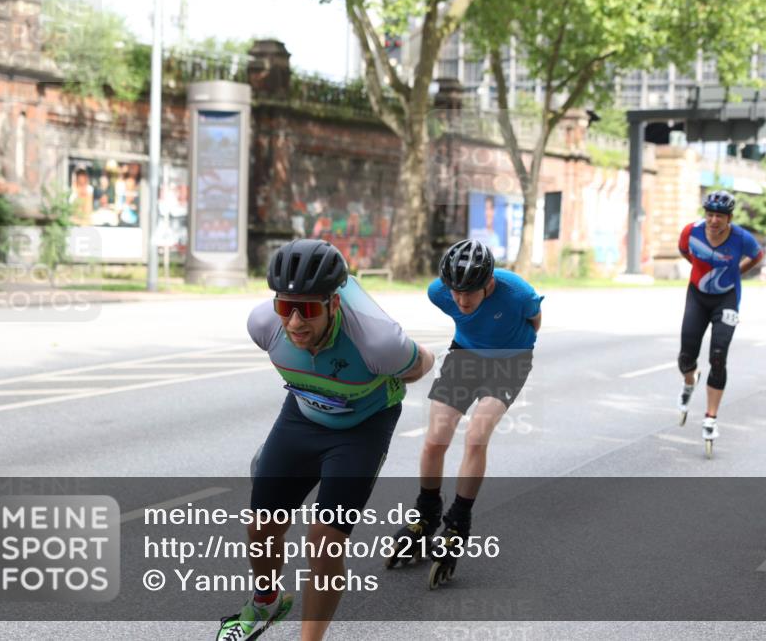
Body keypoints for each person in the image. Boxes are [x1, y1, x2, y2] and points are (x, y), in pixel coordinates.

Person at [217, 239, 435, 641]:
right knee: (261, 527)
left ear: (334, 304)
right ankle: (267, 602)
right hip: (302, 415)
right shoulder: (263, 325)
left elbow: (423, 363)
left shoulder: (378, 342)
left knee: (324, 542)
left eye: (310, 309)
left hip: (363, 429)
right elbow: (287, 329)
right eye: (286, 307)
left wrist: (385, 373)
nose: (296, 323)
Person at [388, 239, 542, 588]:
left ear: (489, 283)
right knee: (435, 440)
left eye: (470, 291)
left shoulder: (517, 292)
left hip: (510, 362)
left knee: (476, 437)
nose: (461, 299)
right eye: (455, 291)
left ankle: (458, 522)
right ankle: (426, 516)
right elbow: (459, 309)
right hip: (465, 357)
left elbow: (535, 322)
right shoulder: (437, 292)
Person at [676, 190, 764, 450]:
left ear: (730, 218)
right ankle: (690, 381)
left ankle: (710, 418)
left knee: (718, 355)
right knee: (686, 356)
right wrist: (702, 268)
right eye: (710, 215)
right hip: (697, 296)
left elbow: (757, 256)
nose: (714, 221)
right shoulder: (691, 231)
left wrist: (736, 272)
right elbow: (684, 251)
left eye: (720, 217)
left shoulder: (741, 238)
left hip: (726, 299)